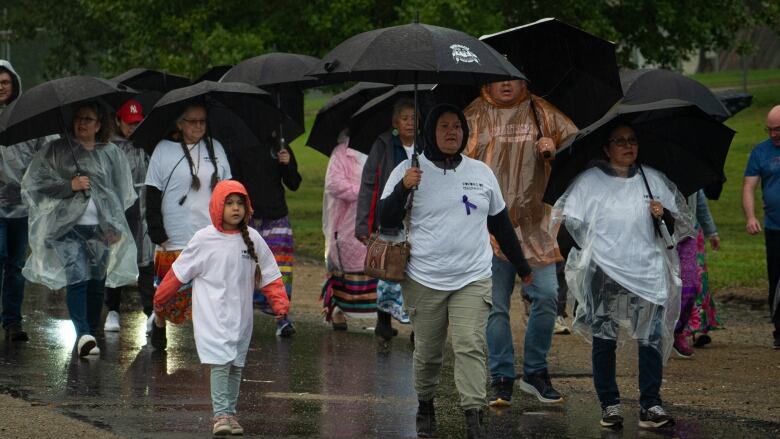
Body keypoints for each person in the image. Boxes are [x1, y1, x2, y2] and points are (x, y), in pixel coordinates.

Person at [379, 104, 532, 439]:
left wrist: (523, 267)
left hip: (473, 277)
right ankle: (425, 404)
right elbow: (385, 219)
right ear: (430, 132)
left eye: (458, 128)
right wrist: (405, 186)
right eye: (444, 126)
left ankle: (474, 416)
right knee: (429, 352)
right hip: (424, 278)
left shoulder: (481, 172)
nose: (452, 133)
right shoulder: (409, 169)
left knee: (470, 345)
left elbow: (501, 225)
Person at [552, 123, 692, 429]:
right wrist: (589, 257)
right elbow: (569, 226)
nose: (628, 146)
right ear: (606, 148)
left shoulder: (652, 180)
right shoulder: (589, 182)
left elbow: (675, 228)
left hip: (648, 271)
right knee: (604, 339)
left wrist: (663, 215)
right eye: (620, 141)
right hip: (604, 273)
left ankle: (650, 404)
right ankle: (610, 404)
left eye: (632, 141)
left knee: (651, 339)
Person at [464, 79, 577, 405]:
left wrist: (552, 150)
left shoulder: (541, 111)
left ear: (524, 80)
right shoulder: (474, 114)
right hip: (488, 227)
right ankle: (501, 376)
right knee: (495, 306)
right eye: (499, 78)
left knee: (546, 296)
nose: (506, 84)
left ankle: (535, 372)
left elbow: (573, 150)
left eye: (512, 77)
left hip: (535, 226)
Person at [154, 180, 289, 436]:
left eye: (240, 203)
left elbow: (270, 274)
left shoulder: (253, 239)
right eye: (229, 203)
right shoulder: (204, 239)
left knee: (235, 364)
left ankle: (231, 413)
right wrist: (161, 298)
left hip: (241, 318)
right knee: (220, 362)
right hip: (212, 316)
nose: (235, 208)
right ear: (218, 206)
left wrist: (280, 302)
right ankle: (221, 415)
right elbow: (179, 273)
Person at [21, 102, 137, 357]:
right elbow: (36, 183)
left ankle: (90, 333)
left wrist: (114, 225)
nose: (82, 123)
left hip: (100, 230)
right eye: (78, 118)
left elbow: (119, 193)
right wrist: (69, 185)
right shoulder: (57, 151)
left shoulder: (110, 154)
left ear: (99, 125)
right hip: (67, 229)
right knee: (77, 278)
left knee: (96, 282)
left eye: (88, 119)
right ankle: (83, 332)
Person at [145, 103, 232, 350]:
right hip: (174, 234)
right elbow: (152, 192)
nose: (198, 126)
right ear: (179, 124)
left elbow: (227, 188)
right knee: (169, 291)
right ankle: (159, 322)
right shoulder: (164, 150)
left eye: (202, 121)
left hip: (209, 234)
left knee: (210, 292)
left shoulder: (216, 149)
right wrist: (156, 230)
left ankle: (211, 339)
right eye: (192, 121)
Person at [355, 97, 416, 341]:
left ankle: (417, 328)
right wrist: (363, 224)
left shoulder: (426, 145)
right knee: (390, 270)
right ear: (395, 122)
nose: (410, 123)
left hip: (419, 219)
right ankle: (383, 321)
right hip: (390, 217)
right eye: (405, 119)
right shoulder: (383, 145)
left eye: (415, 118)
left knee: (417, 273)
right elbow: (369, 185)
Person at [229, 133, 301, 337]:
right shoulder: (239, 146)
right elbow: (234, 184)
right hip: (248, 220)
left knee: (280, 271)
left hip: (277, 217)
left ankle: (282, 317)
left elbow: (294, 183)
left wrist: (286, 164)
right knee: (244, 271)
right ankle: (240, 320)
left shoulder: (279, 144)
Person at [0, 60, 50, 341]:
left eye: (5, 82)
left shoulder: (28, 119)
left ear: (14, 84)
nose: (1, 87)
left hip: (22, 206)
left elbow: (44, 156)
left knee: (16, 266)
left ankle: (12, 323)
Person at [103, 99, 155, 334]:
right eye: (129, 123)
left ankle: (151, 311)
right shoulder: (110, 148)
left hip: (143, 209)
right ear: (118, 121)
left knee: (146, 262)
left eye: (137, 123)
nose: (133, 128)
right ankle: (113, 310)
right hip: (119, 211)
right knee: (115, 260)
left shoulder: (147, 145)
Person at [321, 131, 377, 330]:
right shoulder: (341, 153)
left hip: (372, 220)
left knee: (375, 265)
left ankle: (381, 314)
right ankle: (338, 308)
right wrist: (363, 191)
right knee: (346, 268)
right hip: (345, 222)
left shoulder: (378, 149)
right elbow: (333, 184)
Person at [743, 105, 780, 349]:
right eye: (769, 130)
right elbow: (749, 187)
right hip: (774, 227)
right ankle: (779, 328)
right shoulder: (760, 152)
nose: (773, 135)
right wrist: (750, 216)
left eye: (777, 130)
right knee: (776, 279)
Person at [673, 189, 721, 357]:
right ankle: (658, 333)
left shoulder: (692, 170)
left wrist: (711, 231)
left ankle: (680, 331)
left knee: (693, 283)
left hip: (689, 233)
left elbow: (699, 201)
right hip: (661, 232)